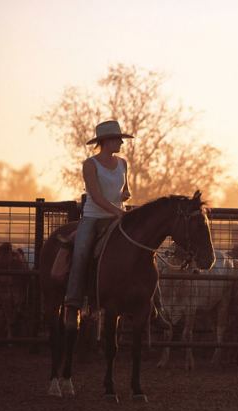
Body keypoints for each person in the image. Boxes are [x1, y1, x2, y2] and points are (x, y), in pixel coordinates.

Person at [64, 120, 169, 330]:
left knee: (144, 253)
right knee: (81, 252)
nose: (121, 142)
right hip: (94, 217)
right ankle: (72, 304)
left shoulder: (122, 163)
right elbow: (95, 195)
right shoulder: (90, 165)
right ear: (106, 142)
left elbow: (124, 190)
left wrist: (125, 196)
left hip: (119, 217)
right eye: (117, 139)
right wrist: (118, 211)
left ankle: (154, 305)